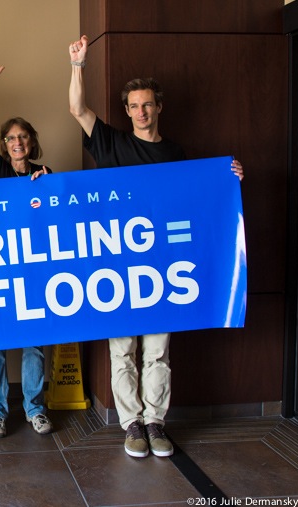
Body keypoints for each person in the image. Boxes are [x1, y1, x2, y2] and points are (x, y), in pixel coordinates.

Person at [67, 35, 244, 459]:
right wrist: (78, 64)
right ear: (126, 111)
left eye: (148, 104)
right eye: (134, 106)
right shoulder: (111, 143)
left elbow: (196, 202)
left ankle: (155, 422)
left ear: (158, 107)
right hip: (117, 266)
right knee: (122, 351)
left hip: (162, 269)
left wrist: (228, 177)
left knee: (158, 352)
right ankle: (131, 425)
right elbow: (77, 108)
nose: (141, 112)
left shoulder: (176, 153)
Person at [0, 61, 54, 438]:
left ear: (32, 142)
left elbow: (57, 220)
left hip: (34, 270)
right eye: (10, 138)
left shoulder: (45, 174)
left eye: (23, 137)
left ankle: (35, 407)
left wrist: (50, 188)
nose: (17, 142)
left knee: (34, 346)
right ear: (4, 145)